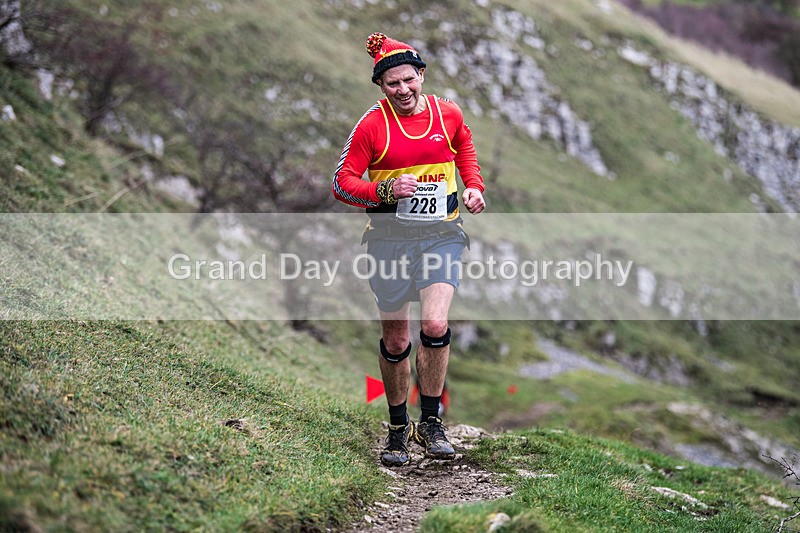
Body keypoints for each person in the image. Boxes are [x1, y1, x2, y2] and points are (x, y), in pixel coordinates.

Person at [332, 32, 486, 467]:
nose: (402, 90)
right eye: (391, 84)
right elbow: (342, 183)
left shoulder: (447, 114)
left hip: (442, 233)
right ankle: (398, 428)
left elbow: (465, 152)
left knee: (435, 323)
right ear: (381, 86)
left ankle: (431, 421)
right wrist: (384, 189)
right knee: (397, 337)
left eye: (408, 80)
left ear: (421, 75)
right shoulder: (371, 125)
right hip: (388, 240)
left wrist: (474, 188)